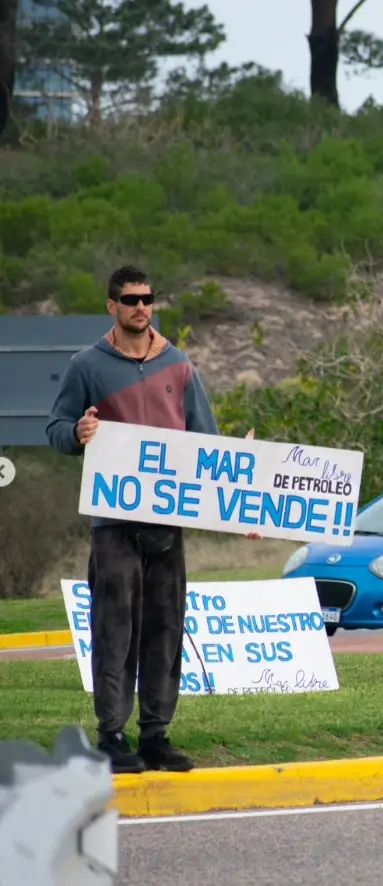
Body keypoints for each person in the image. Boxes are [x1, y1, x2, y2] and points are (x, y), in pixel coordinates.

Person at [45, 264, 247, 775]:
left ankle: (156, 735)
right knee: (115, 629)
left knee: (165, 629)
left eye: (147, 299)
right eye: (130, 299)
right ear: (111, 305)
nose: (140, 307)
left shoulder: (179, 365)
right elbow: (55, 426)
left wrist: (244, 485)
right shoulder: (87, 364)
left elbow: (206, 442)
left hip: (168, 523)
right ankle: (111, 734)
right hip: (113, 523)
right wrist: (79, 432)